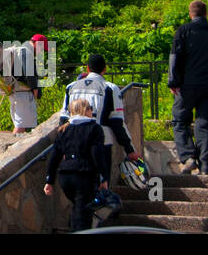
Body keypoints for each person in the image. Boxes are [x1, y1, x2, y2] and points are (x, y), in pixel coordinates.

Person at [168, 0, 208, 175]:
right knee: (206, 124)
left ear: (190, 14)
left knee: (180, 121)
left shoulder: (184, 30)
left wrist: (174, 81)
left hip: (188, 84)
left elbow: (175, 57)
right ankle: (206, 166)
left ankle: (188, 157)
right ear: (206, 14)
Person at [44, 97, 111, 232]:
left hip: (65, 175)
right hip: (83, 174)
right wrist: (104, 177)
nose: (92, 111)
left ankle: (75, 228)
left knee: (78, 207)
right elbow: (97, 154)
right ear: (86, 110)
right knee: (83, 211)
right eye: (90, 109)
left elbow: (54, 157)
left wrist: (49, 180)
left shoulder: (64, 129)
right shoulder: (94, 128)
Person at [60, 54, 140, 164]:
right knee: (101, 179)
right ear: (105, 69)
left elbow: (64, 119)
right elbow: (117, 122)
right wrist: (129, 149)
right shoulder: (110, 88)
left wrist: (63, 145)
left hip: (74, 142)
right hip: (100, 142)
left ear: (87, 68)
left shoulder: (71, 87)